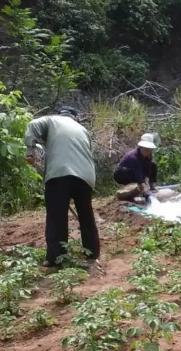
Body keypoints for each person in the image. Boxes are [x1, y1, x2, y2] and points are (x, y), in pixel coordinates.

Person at [24, 106, 100, 269]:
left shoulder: (52, 120)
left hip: (59, 174)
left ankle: (55, 258)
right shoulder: (82, 129)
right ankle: (92, 254)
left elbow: (32, 125)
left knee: (56, 217)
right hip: (86, 176)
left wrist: (30, 151)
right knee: (86, 214)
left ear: (60, 114)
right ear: (75, 117)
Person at [113, 133, 159, 201]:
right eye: (146, 149)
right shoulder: (133, 157)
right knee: (138, 182)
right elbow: (138, 173)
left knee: (153, 165)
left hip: (136, 172)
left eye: (149, 149)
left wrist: (147, 180)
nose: (148, 151)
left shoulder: (149, 156)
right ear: (141, 147)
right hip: (123, 174)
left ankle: (151, 187)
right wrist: (142, 184)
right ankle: (132, 191)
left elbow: (148, 169)